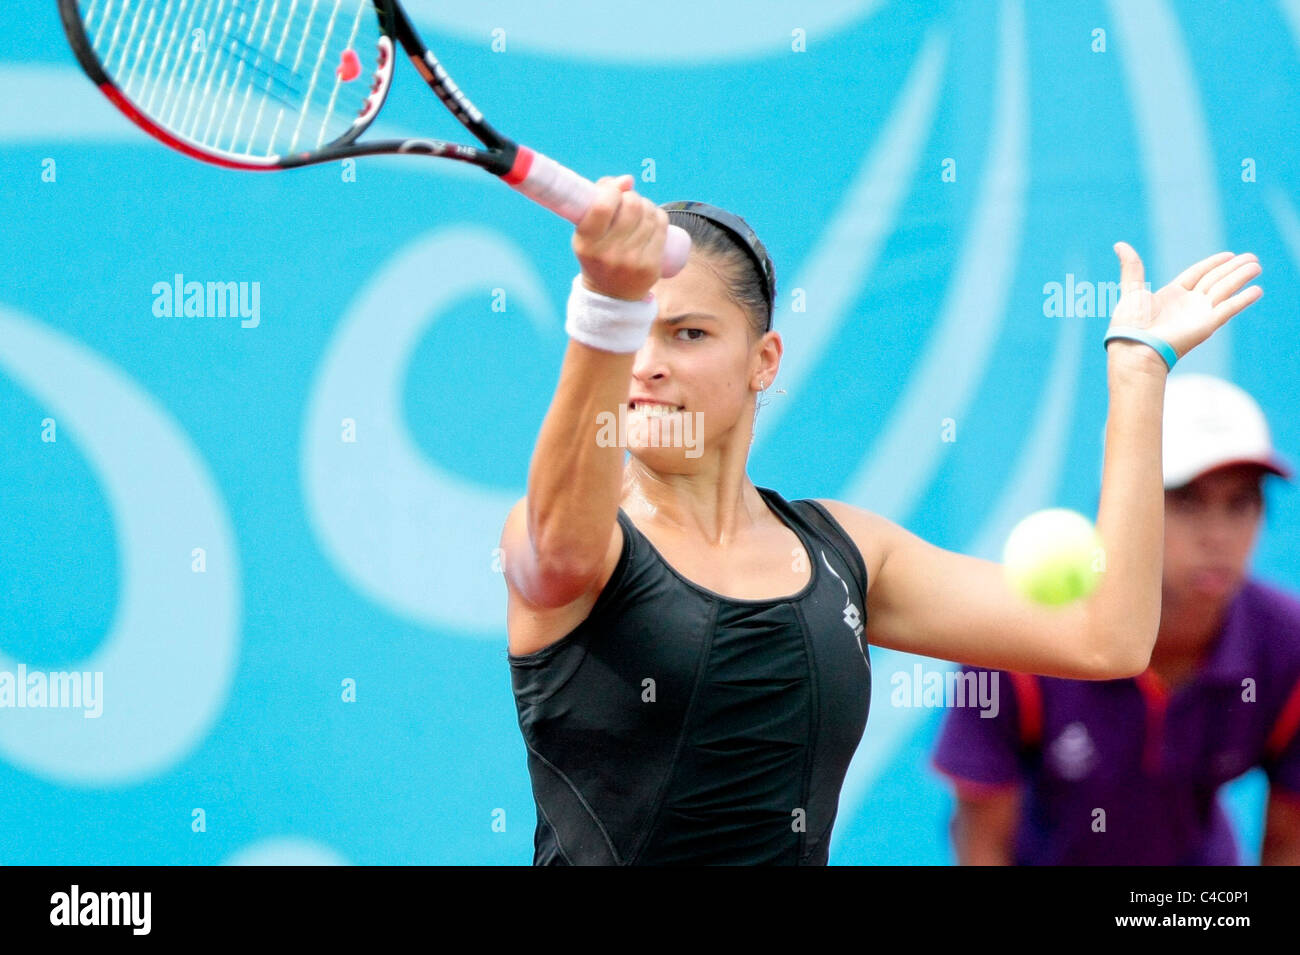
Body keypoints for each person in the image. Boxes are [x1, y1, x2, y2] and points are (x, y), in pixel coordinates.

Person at [498, 173, 1264, 864]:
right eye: (635, 331)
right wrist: (605, 305)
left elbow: (1110, 635)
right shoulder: (582, 541)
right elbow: (557, 550)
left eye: (687, 333)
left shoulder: (847, 552)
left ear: (764, 360)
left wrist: (1138, 372)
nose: (647, 363)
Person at [932, 375, 1300, 865]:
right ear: (1125, 504)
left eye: (1241, 504)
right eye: (1188, 500)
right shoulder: (1017, 641)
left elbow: (1288, 845)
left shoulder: (1288, 646)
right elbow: (982, 844)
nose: (1219, 535)